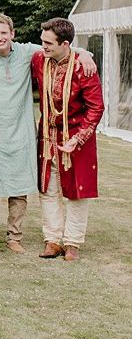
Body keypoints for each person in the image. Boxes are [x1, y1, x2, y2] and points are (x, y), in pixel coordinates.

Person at [0, 13, 96, 254]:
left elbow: (63, 47)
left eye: (4, 32)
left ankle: (15, 237)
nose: (0, 37)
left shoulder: (28, 53)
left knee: (19, 189)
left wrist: (85, 53)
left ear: (12, 34)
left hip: (22, 133)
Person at [31, 18, 104, 261]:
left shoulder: (84, 67)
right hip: (47, 135)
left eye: (48, 43)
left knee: (77, 191)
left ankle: (72, 242)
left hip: (76, 137)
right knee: (48, 189)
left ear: (64, 44)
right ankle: (52, 240)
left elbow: (96, 107)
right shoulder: (39, 59)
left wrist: (79, 139)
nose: (43, 46)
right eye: (42, 41)